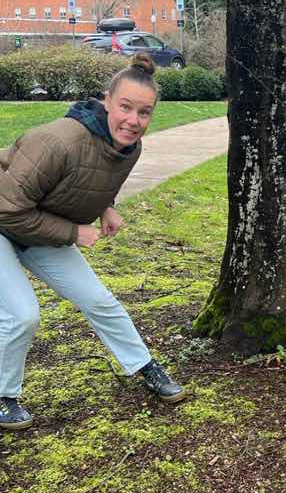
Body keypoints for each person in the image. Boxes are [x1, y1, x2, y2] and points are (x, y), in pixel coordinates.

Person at [0, 52, 186, 431]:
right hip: (6, 218)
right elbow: (7, 210)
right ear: (106, 101)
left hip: (35, 224)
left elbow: (97, 179)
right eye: (125, 107)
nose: (133, 121)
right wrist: (74, 233)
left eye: (144, 112)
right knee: (22, 313)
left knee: (99, 300)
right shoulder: (57, 141)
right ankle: (4, 395)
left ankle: (144, 366)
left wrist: (106, 207)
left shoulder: (128, 148)